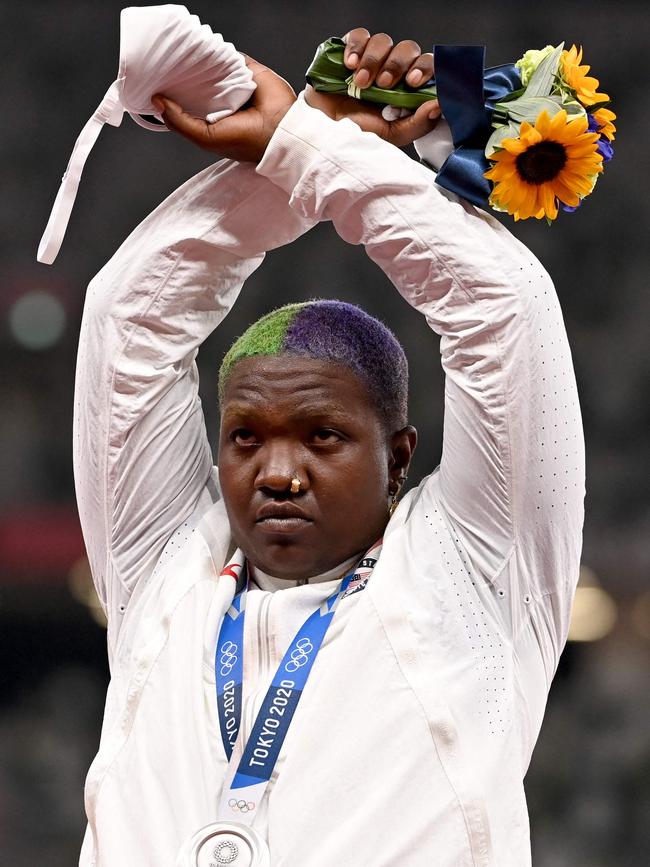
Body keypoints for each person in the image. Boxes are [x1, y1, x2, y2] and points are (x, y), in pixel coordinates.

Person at [73, 29, 584, 867]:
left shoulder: (477, 572)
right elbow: (131, 318)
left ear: (400, 457)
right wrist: (310, 142)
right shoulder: (163, 564)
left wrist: (306, 150)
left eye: (323, 437)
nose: (277, 473)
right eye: (244, 438)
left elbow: (504, 309)